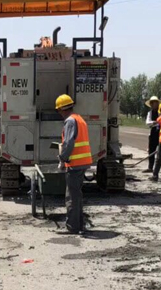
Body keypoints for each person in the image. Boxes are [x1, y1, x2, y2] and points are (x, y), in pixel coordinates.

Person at [55, 94, 92, 234]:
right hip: (82, 162)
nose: (59, 113)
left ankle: (73, 227)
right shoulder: (79, 119)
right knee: (77, 195)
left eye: (59, 110)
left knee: (71, 196)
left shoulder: (70, 121)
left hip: (75, 163)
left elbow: (69, 142)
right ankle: (79, 224)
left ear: (62, 109)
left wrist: (62, 158)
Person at [143, 96, 161, 173]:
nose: (154, 104)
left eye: (155, 102)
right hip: (153, 133)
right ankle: (150, 167)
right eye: (152, 103)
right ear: (151, 104)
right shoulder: (149, 113)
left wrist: (155, 123)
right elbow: (148, 122)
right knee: (151, 150)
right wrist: (155, 122)